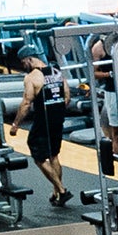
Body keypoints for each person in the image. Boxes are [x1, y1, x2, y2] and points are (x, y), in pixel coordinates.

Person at [15, 53, 74, 211]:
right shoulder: (56, 72)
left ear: (29, 59)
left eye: (23, 63)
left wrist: (16, 124)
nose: (23, 67)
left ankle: (61, 190)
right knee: (53, 155)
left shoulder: (32, 78)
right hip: (58, 118)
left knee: (39, 157)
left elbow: (26, 103)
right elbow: (67, 97)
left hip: (43, 120)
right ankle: (57, 191)